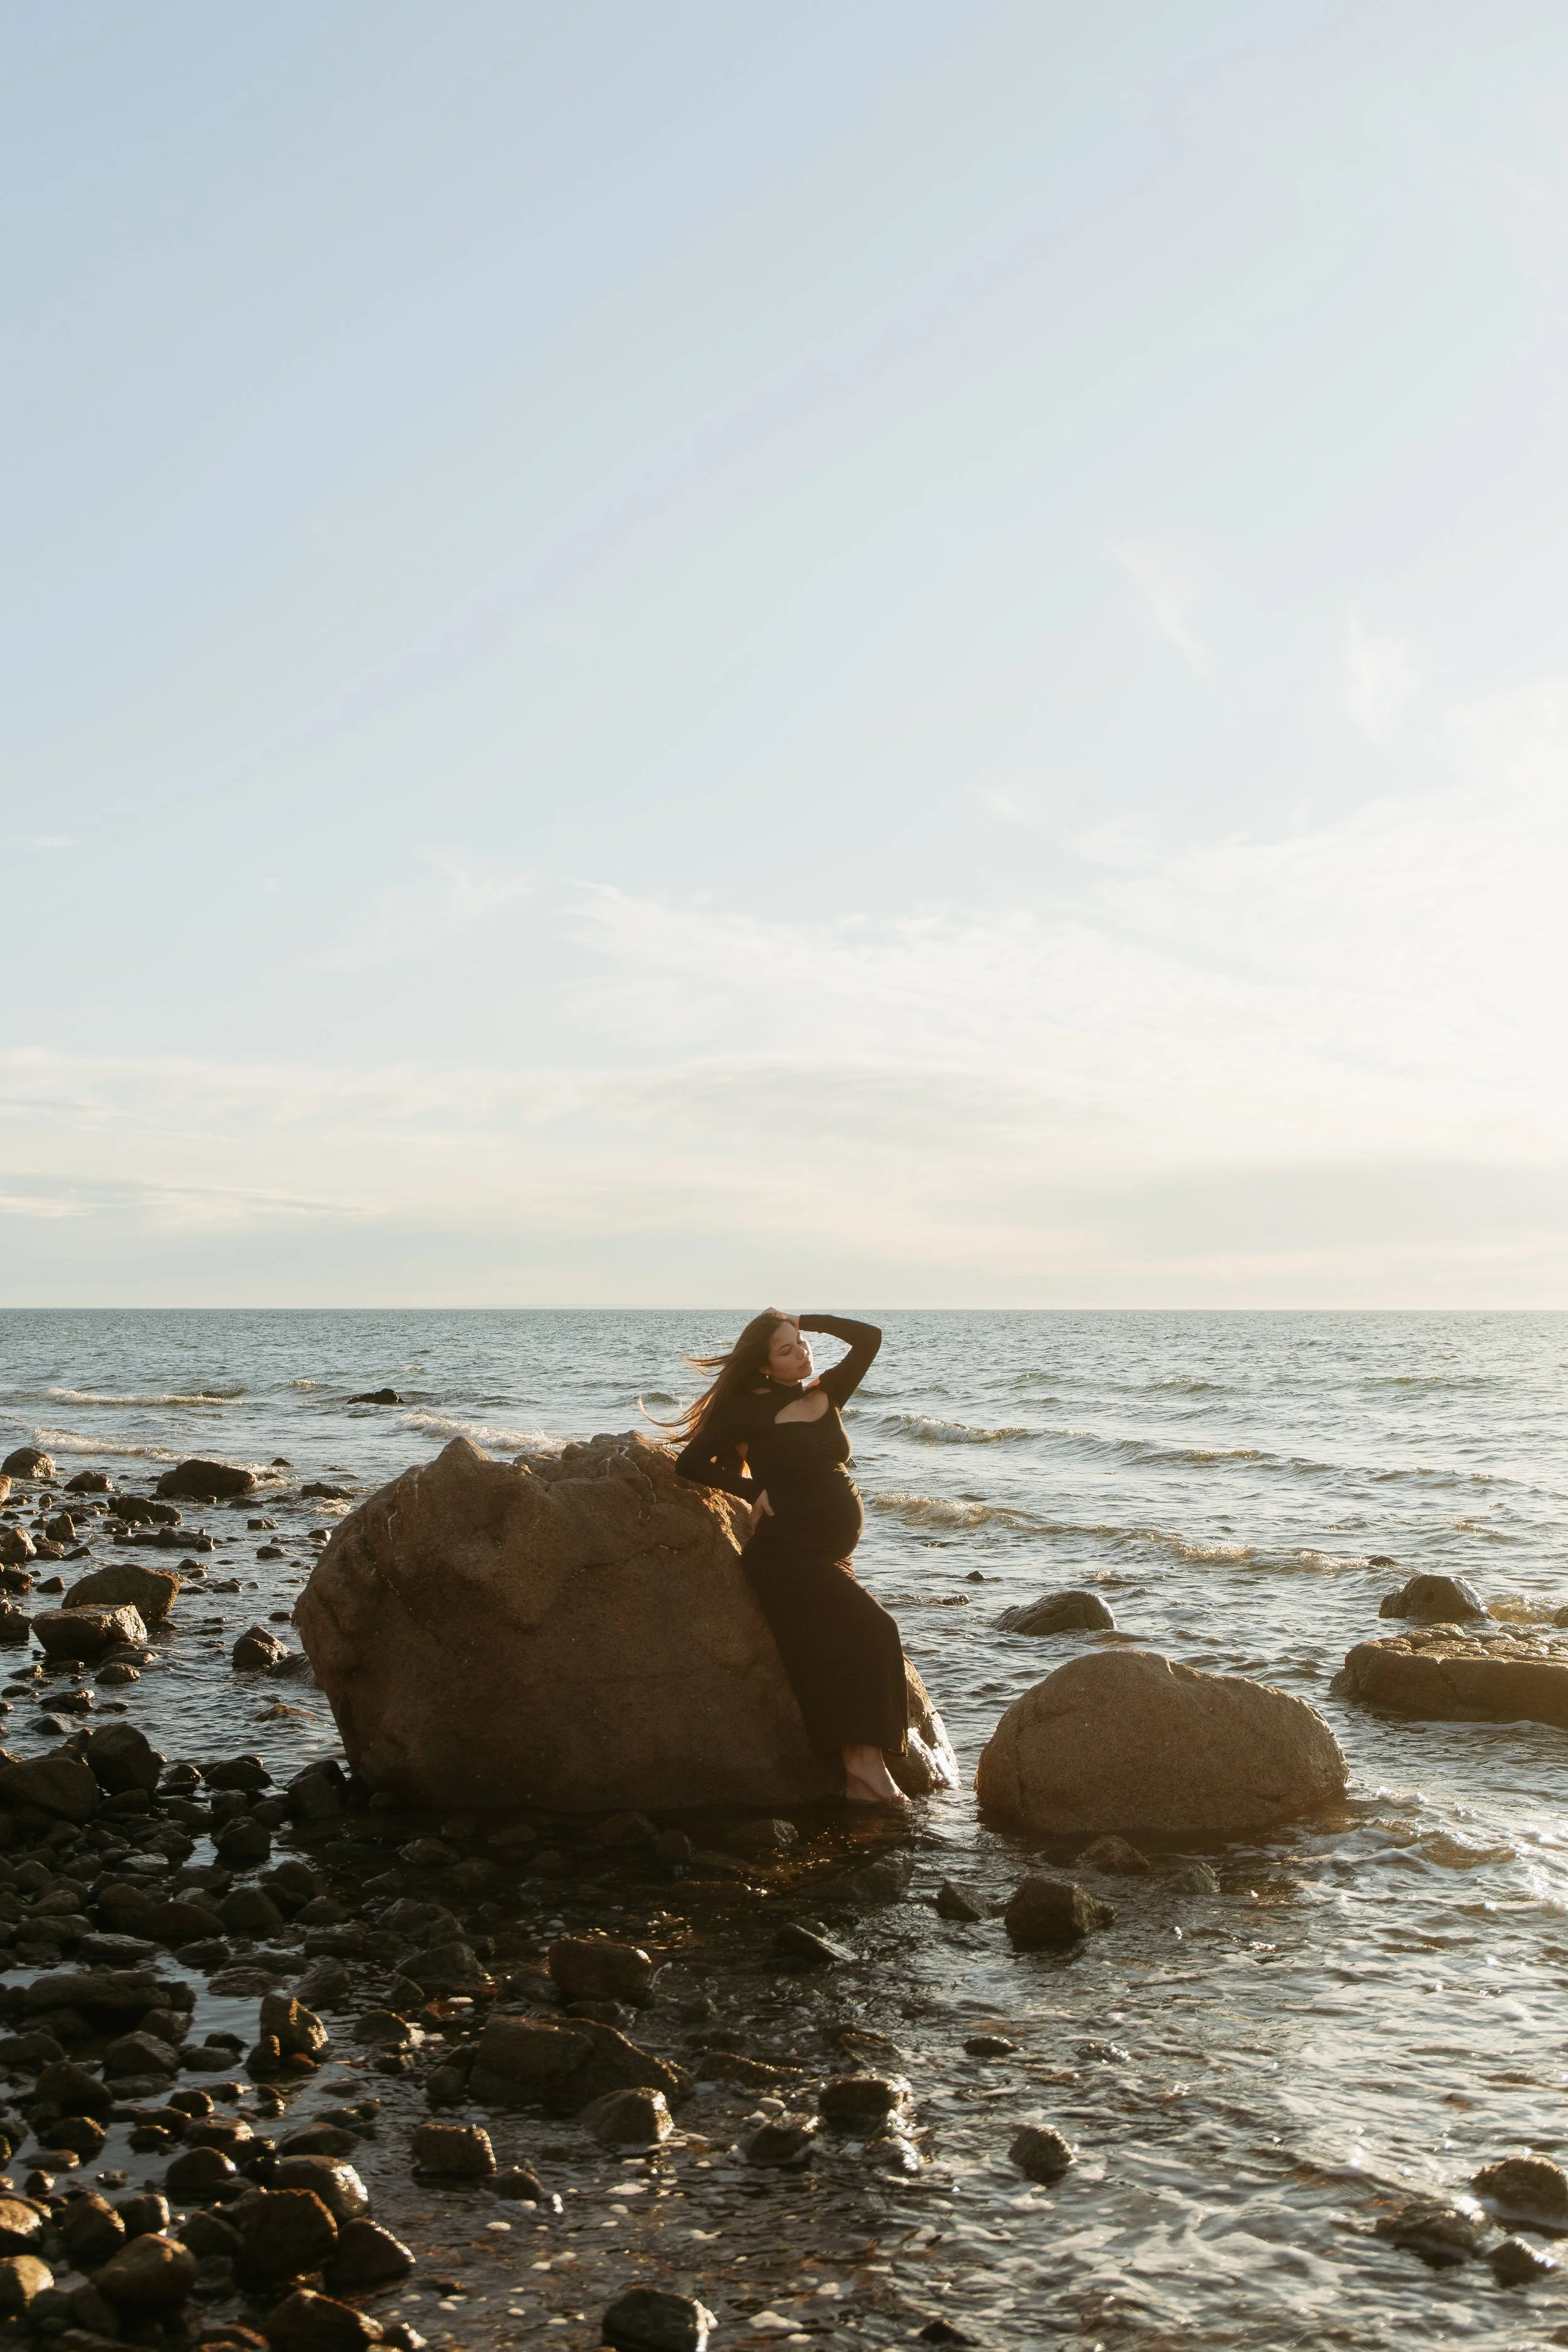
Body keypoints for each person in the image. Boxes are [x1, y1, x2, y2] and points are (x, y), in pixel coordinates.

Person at [665, 1310, 909, 1806]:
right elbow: (689, 1462)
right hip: (785, 1558)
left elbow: (870, 1338)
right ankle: (864, 1769)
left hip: (825, 1556)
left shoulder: (825, 1391)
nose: (801, 1353)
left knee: (847, 1647)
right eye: (786, 1350)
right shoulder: (749, 1412)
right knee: (878, 1631)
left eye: (800, 1344)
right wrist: (753, 1488)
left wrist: (802, 1320)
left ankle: (862, 1772)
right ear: (763, 1368)